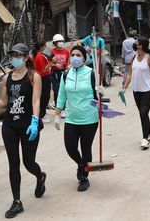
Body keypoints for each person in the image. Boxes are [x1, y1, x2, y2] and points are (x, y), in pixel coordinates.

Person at [0, 43, 46, 219]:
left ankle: (40, 177)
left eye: (18, 55)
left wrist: (35, 121)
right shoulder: (8, 77)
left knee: (29, 162)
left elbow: (36, 101)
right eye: (12, 55)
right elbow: (4, 102)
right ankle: (17, 202)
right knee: (13, 162)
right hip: (10, 125)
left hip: (28, 125)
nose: (14, 58)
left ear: (25, 57)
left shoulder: (34, 76)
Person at [53, 45, 98, 192]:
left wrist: (101, 94)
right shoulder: (66, 74)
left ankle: (84, 177)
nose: (75, 58)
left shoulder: (92, 73)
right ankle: (81, 164)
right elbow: (61, 96)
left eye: (79, 55)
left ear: (84, 58)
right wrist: (57, 115)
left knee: (86, 149)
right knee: (70, 147)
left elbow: (97, 97)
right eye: (73, 55)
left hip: (89, 118)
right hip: (71, 118)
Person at [122, 37, 150, 150]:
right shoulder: (134, 57)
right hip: (137, 90)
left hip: (148, 90)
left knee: (143, 113)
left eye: (137, 42)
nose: (135, 44)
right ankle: (148, 134)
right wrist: (124, 87)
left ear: (142, 45)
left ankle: (145, 139)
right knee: (143, 113)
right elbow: (129, 74)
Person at [31, 40, 53, 123]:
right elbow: (44, 69)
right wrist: (51, 63)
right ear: (41, 47)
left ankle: (40, 114)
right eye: (45, 46)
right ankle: (41, 115)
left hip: (39, 77)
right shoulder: (40, 56)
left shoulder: (36, 55)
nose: (46, 48)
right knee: (45, 97)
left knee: (41, 97)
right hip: (43, 78)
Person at [50, 34, 70, 116]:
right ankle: (59, 109)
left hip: (64, 72)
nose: (61, 43)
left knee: (65, 90)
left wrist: (68, 66)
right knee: (57, 90)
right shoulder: (52, 52)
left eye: (62, 41)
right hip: (55, 73)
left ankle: (65, 108)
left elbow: (68, 61)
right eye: (59, 41)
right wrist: (55, 65)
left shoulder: (66, 52)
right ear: (55, 43)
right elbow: (48, 63)